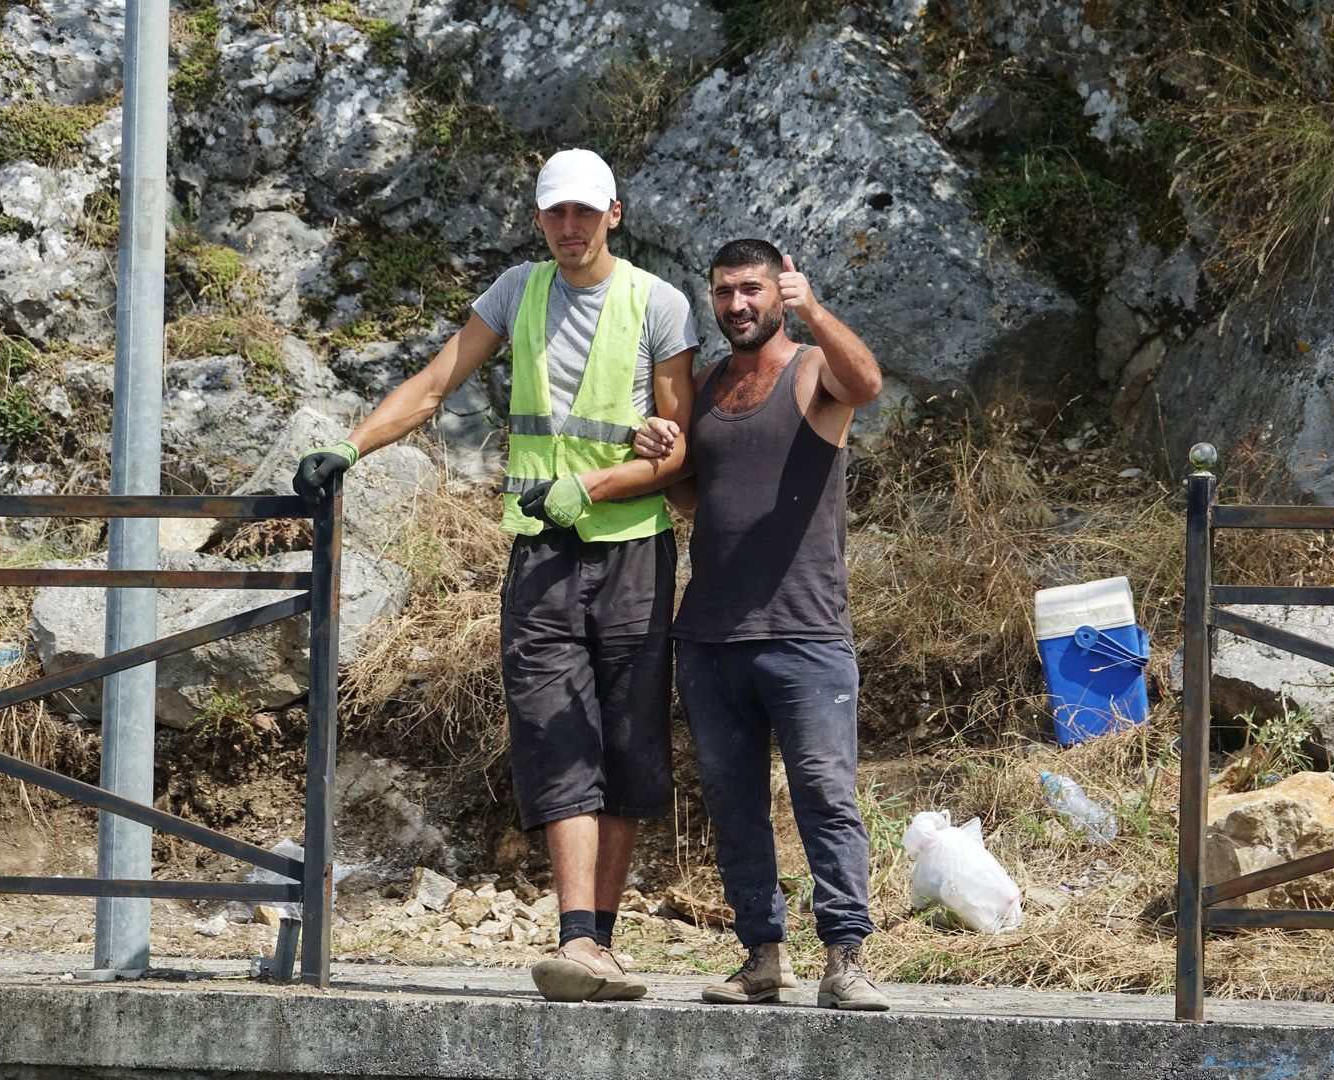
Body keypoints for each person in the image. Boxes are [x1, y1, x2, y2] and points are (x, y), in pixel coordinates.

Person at [293, 148, 698, 1003]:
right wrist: (349, 445)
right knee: (556, 735)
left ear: (614, 214)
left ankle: (601, 942)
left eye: (585, 212)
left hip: (632, 549)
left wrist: (623, 463)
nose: (570, 227)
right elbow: (437, 384)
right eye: (556, 212)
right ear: (540, 217)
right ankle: (577, 940)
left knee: (626, 741)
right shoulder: (517, 291)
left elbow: (676, 442)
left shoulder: (658, 303)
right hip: (541, 554)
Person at [634, 238, 889, 1011]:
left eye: (750, 289)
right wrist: (651, 445)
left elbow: (868, 384)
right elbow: (691, 494)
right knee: (732, 800)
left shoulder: (813, 370)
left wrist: (815, 309)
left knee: (823, 793)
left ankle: (845, 960)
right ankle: (761, 957)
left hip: (807, 634)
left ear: (779, 291)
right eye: (723, 293)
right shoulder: (707, 385)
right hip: (708, 637)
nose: (737, 305)